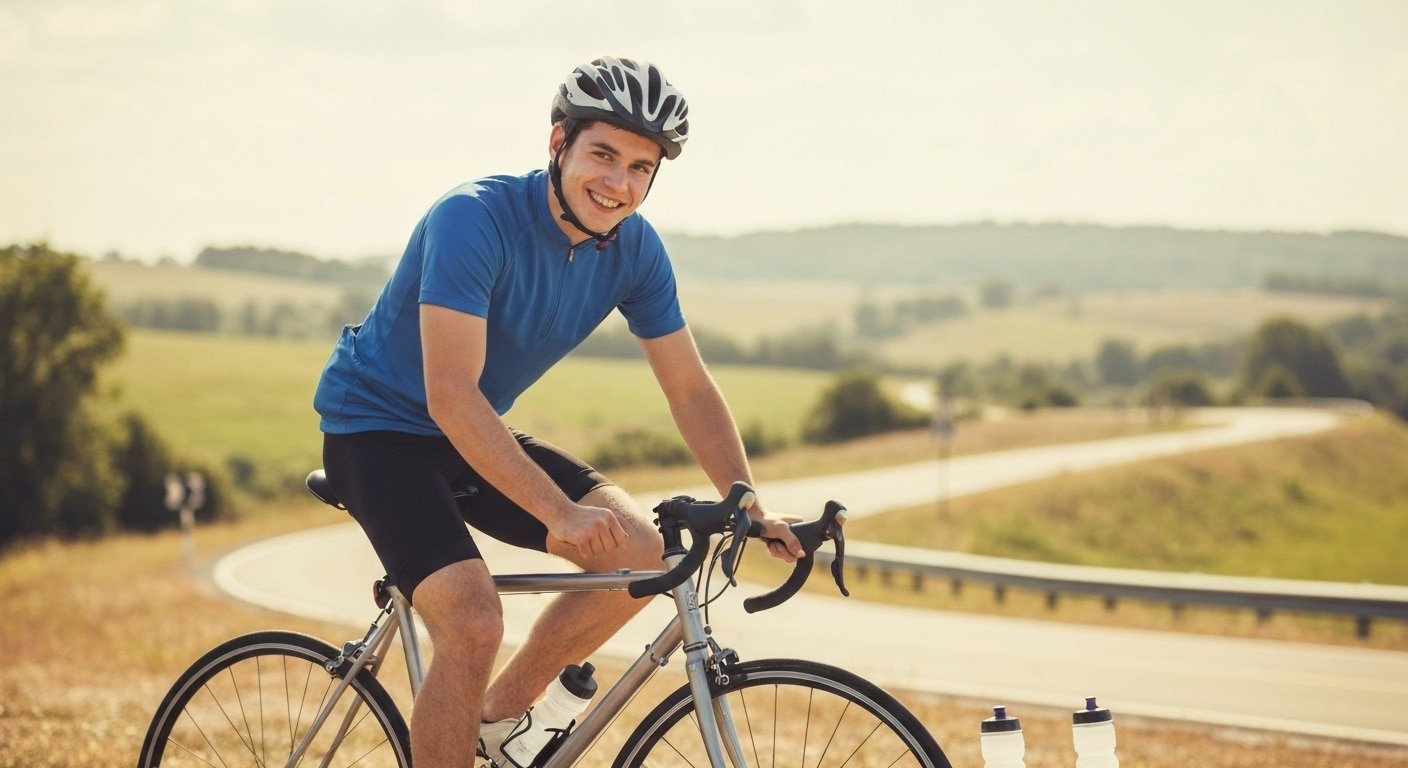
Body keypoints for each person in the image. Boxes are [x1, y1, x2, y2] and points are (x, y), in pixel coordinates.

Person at [313, 56, 805, 768]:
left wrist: (749, 502)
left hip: (466, 432)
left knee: (644, 556)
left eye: (639, 168)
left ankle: (495, 722)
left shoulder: (635, 251)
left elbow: (690, 390)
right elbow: (450, 392)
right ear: (558, 144)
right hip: (377, 431)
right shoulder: (473, 218)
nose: (618, 183)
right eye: (603, 155)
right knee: (473, 622)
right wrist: (559, 512)